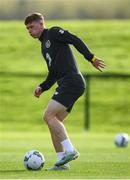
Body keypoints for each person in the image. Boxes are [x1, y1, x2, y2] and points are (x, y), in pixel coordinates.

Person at [24, 13, 105, 170]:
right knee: (54, 122)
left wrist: (91, 58)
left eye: (31, 27)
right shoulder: (43, 47)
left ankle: (70, 150)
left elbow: (75, 40)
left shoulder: (53, 33)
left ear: (41, 24)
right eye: (27, 29)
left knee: (48, 116)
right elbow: (53, 73)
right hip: (67, 84)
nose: (29, 31)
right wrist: (43, 86)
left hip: (72, 81)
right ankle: (62, 162)